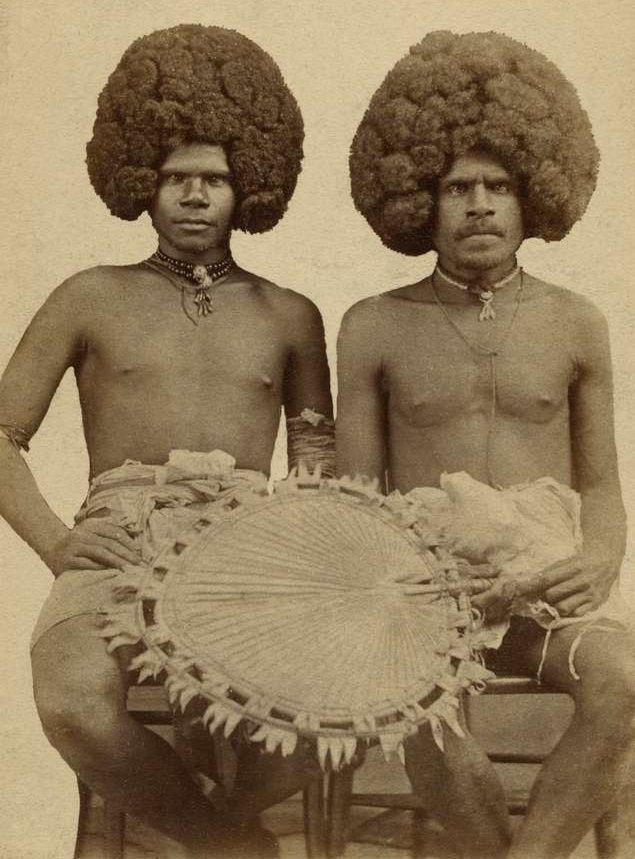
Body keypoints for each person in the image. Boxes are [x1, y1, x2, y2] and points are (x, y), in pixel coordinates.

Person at [0, 24, 334, 859]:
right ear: (139, 180)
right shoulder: (87, 295)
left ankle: (205, 828)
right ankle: (227, 842)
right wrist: (61, 543)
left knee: (339, 708)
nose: (193, 195)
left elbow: (316, 464)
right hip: (118, 546)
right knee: (70, 699)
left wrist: (298, 545)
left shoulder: (291, 315)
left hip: (248, 549)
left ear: (247, 185)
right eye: (176, 175)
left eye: (214, 177)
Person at [338, 30, 635, 859]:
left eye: (497, 185)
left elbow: (602, 482)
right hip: (423, 592)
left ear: (530, 193)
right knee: (418, 716)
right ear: (415, 201)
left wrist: (603, 555)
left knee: (626, 683)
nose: (478, 204)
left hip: (548, 587)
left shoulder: (579, 321)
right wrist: (407, 583)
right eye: (456, 186)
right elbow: (357, 498)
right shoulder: (372, 326)